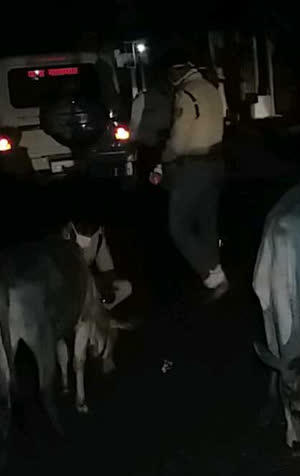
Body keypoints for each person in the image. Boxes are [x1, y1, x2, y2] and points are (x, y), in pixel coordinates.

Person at [133, 48, 229, 302]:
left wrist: (161, 163)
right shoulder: (211, 89)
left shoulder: (187, 94)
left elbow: (178, 139)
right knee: (207, 222)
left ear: (178, 71)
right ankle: (216, 273)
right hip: (216, 163)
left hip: (193, 166)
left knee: (178, 225)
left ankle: (211, 275)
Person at [63, 220, 133, 310]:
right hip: (68, 284)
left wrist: (106, 287)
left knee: (125, 287)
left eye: (92, 230)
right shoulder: (65, 234)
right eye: (84, 229)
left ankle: (98, 309)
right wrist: (95, 282)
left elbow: (109, 271)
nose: (88, 233)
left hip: (86, 283)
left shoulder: (98, 237)